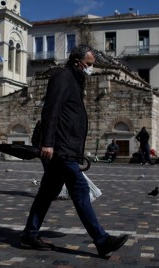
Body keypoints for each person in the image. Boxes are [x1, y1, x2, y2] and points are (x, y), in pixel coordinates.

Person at [21, 44, 128, 257]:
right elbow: (50, 110)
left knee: (47, 192)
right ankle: (102, 239)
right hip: (61, 148)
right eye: (88, 64)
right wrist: (48, 143)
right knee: (80, 189)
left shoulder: (76, 80)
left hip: (68, 148)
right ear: (77, 61)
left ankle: (30, 234)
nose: (90, 69)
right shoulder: (62, 76)